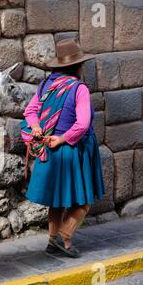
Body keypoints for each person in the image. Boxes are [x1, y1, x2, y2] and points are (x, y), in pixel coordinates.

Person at [21, 38, 105, 258]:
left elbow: (30, 112)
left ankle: (51, 242)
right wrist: (63, 139)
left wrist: (37, 126)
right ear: (77, 66)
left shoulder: (46, 86)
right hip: (71, 151)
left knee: (57, 200)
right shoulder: (79, 89)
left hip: (50, 151)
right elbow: (82, 123)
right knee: (84, 201)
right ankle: (63, 238)